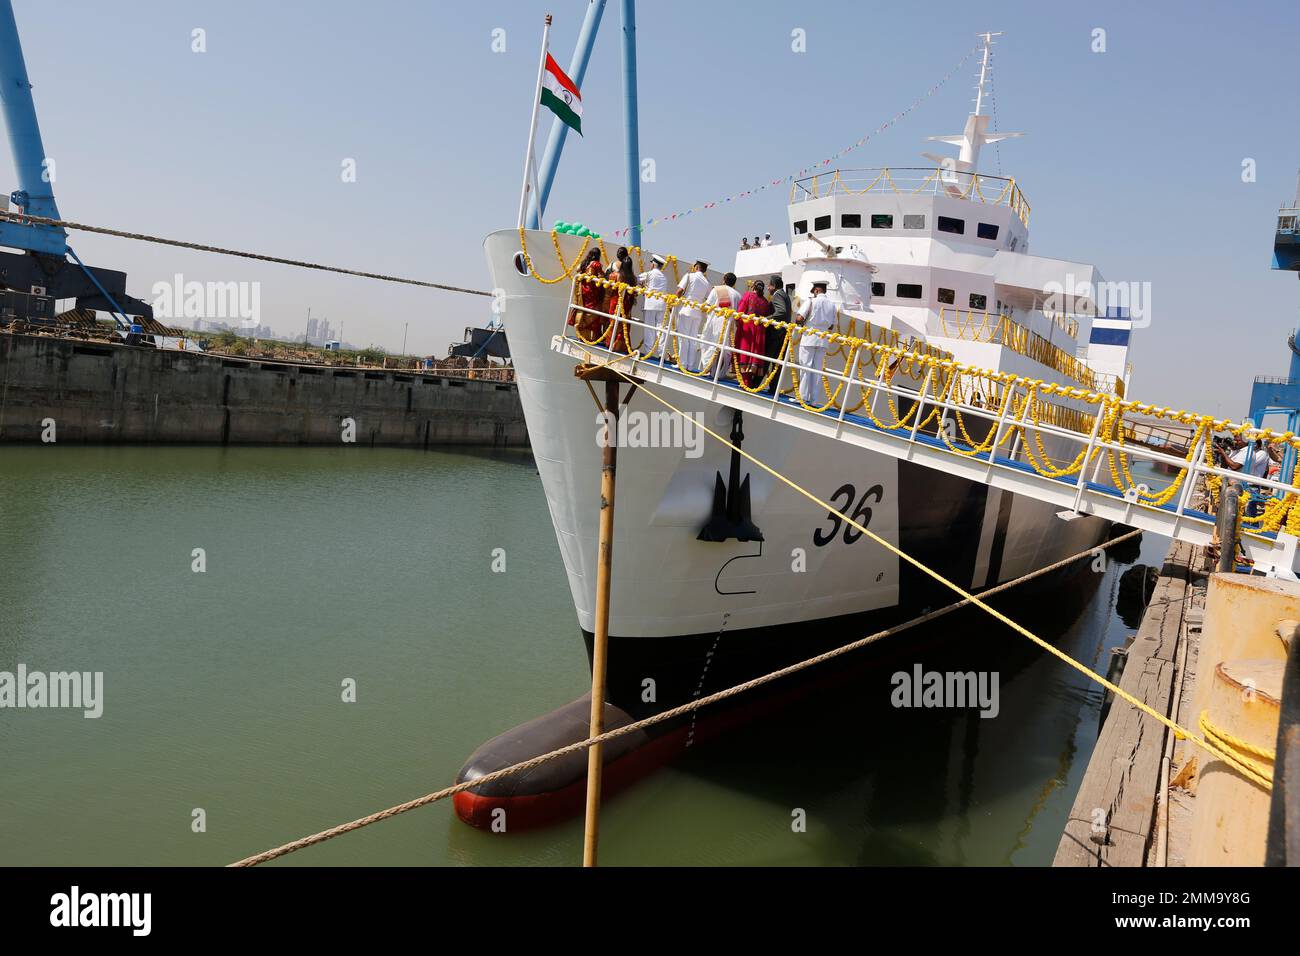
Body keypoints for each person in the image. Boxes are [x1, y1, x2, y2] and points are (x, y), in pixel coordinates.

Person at [794, 278, 837, 404]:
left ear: (817, 290)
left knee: (805, 366)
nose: (813, 293)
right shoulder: (832, 305)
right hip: (823, 340)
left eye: (814, 291)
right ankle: (813, 400)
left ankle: (802, 397)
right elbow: (831, 326)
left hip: (809, 336)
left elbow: (800, 317)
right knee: (817, 370)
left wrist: (799, 321)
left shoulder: (811, 301)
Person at [702, 272, 742, 375]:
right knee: (725, 350)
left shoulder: (717, 289)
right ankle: (720, 373)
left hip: (715, 322)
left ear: (724, 280)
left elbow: (707, 305)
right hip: (730, 325)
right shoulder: (738, 295)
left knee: (709, 345)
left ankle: (707, 368)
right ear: (734, 283)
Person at [674, 260, 711, 371]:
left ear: (696, 267)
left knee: (683, 338)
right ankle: (690, 365)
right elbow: (709, 299)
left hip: (686, 310)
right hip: (697, 313)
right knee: (692, 339)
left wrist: (675, 301)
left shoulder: (689, 276)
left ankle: (682, 364)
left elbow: (680, 291)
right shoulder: (707, 282)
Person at [734, 280, 771, 387]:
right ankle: (748, 381)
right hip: (759, 331)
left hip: (747, 328)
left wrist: (738, 324)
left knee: (745, 353)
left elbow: (739, 312)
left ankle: (744, 381)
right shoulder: (765, 301)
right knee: (753, 355)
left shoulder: (748, 296)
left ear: (753, 287)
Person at [570, 248, 607, 343]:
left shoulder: (584, 263)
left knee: (584, 310)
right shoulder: (596, 264)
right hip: (592, 291)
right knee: (594, 312)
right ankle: (592, 337)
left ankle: (582, 334)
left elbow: (578, 269)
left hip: (583, 291)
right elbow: (601, 276)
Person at [764, 274, 792, 391]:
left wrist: (767, 319)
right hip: (783, 333)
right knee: (777, 362)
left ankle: (755, 384)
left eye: (769, 285)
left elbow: (781, 311)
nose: (768, 288)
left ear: (774, 286)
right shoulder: (785, 295)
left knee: (767, 359)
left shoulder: (778, 294)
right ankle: (773, 388)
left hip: (776, 333)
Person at [637, 254, 670, 352]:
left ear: (653, 264)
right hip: (662, 306)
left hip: (650, 305)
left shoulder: (649, 274)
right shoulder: (664, 277)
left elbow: (636, 279)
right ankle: (661, 353)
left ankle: (649, 351)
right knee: (661, 330)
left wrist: (641, 284)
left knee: (649, 329)